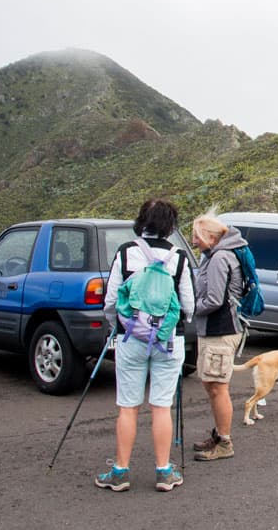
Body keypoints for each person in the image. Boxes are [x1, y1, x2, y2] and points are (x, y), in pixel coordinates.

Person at [95, 198, 195, 492]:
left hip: (131, 339)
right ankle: (164, 472)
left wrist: (120, 325)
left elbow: (110, 301)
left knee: (128, 407)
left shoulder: (126, 253)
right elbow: (189, 306)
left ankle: (120, 472)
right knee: (162, 406)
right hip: (169, 339)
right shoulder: (179, 257)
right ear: (170, 226)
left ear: (141, 221)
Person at [190, 211, 250, 461]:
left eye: (196, 236)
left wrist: (190, 308)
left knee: (218, 386)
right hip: (216, 329)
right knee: (212, 384)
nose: (193, 241)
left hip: (221, 329)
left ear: (210, 237)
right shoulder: (216, 256)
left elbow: (214, 299)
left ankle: (224, 442)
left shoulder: (219, 258)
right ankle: (219, 435)